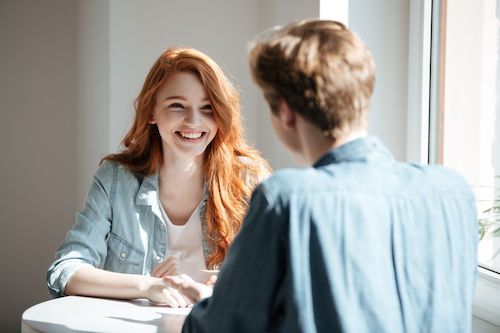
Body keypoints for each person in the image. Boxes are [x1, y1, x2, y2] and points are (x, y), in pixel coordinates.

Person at [167, 19, 479, 332]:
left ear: (286, 112)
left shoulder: (287, 198)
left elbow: (220, 329)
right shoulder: (453, 191)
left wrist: (180, 321)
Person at [46, 47, 270, 307]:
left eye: (208, 108)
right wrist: (147, 286)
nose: (193, 121)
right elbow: (66, 270)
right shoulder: (115, 180)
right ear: (152, 112)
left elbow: (282, 275)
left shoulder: (249, 179)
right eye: (177, 105)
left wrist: (223, 285)